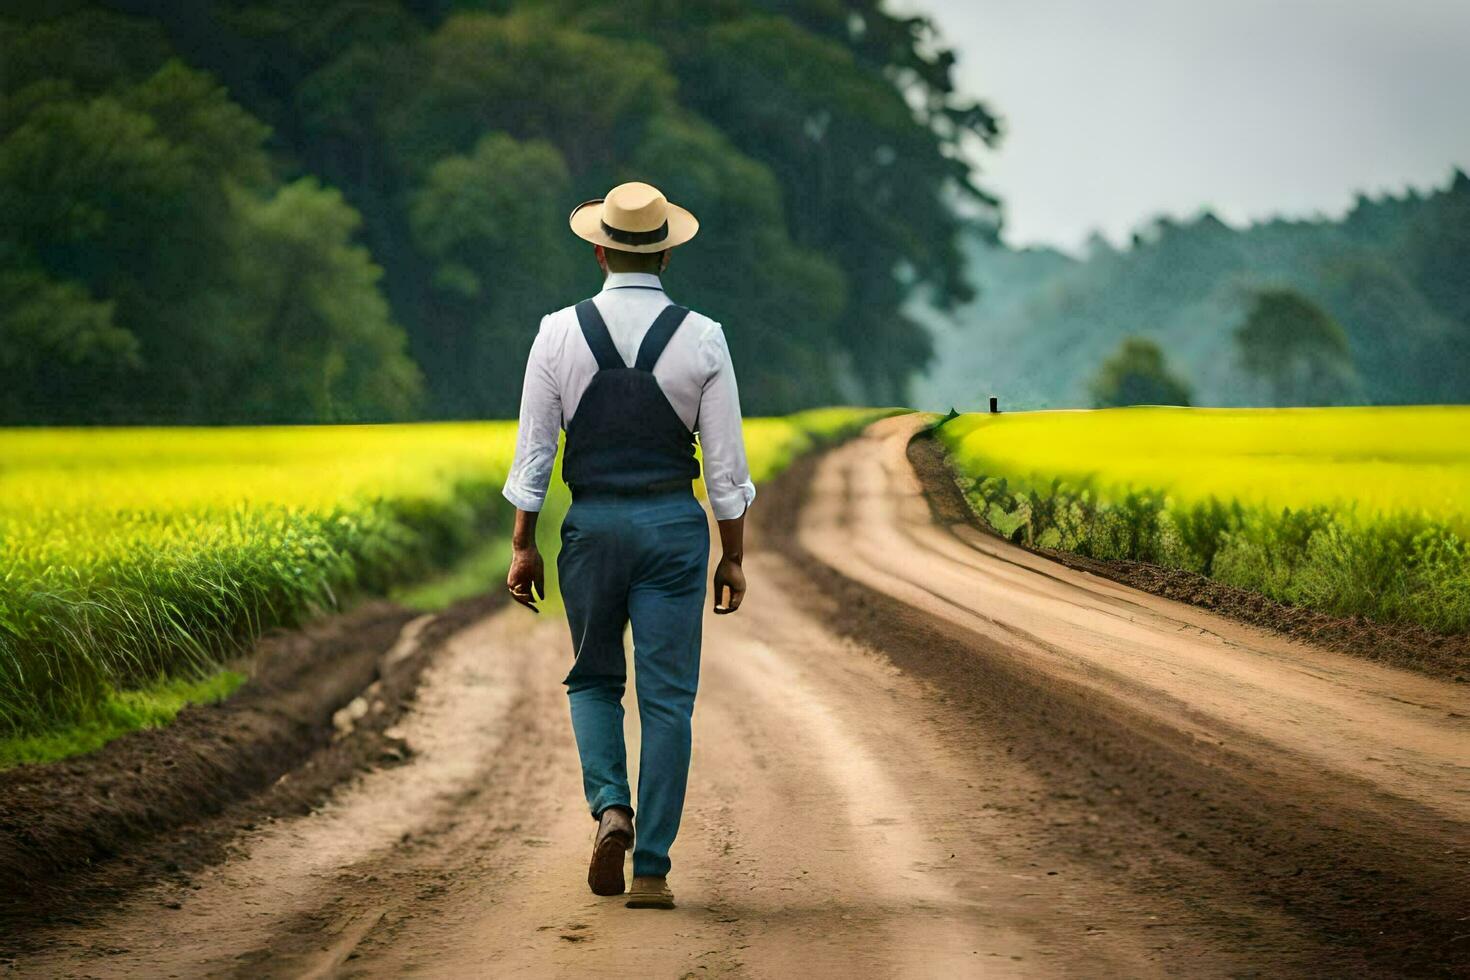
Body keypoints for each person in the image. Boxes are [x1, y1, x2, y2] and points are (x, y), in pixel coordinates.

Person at [501, 181, 753, 910]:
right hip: (673, 525)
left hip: (591, 529)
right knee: (669, 701)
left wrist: (524, 545)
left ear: (600, 247)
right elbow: (727, 469)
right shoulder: (703, 336)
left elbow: (535, 457)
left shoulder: (556, 333)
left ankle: (611, 808)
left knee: (592, 678)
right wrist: (731, 554)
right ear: (668, 251)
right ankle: (651, 869)